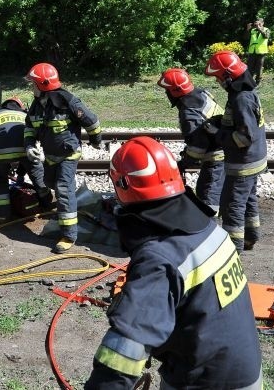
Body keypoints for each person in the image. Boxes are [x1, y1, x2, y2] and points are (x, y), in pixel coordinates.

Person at [85, 136, 262, 390]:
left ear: (123, 186)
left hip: (203, 382)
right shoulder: (207, 228)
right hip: (245, 373)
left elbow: (124, 353)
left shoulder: (159, 260)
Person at [23, 62, 102, 254]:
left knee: (63, 189)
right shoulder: (36, 106)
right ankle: (64, 207)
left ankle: (69, 235)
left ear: (42, 85)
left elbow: (91, 121)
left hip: (68, 154)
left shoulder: (68, 102)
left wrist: (95, 140)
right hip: (50, 155)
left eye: (33, 84)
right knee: (50, 182)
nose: (31, 87)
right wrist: (29, 145)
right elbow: (29, 128)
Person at [204, 50, 267, 253]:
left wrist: (218, 134)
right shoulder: (244, 92)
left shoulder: (241, 98)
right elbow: (240, 124)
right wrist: (222, 123)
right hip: (254, 159)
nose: (218, 82)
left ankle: (233, 250)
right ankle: (251, 238)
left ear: (228, 76)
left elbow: (243, 138)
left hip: (243, 164)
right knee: (248, 200)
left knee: (232, 207)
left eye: (219, 78)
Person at [157, 68, 225, 211]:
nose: (166, 93)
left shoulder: (189, 113)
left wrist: (183, 164)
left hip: (217, 159)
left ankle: (212, 229)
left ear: (173, 92)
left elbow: (197, 148)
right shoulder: (201, 93)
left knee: (208, 201)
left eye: (167, 90)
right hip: (225, 148)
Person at [0, 97, 52, 222]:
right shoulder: (25, 115)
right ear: (20, 106)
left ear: (4, 106)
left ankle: (2, 214)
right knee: (38, 174)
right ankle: (48, 204)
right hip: (26, 149)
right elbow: (34, 135)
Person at [245, 17, 270, 85]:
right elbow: (246, 38)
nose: (257, 24)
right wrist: (247, 30)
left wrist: (260, 29)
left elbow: (266, 36)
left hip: (261, 52)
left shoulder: (266, 29)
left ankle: (257, 82)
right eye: (256, 23)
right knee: (249, 68)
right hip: (252, 51)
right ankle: (249, 81)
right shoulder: (252, 30)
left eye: (259, 23)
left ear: (262, 23)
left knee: (258, 68)